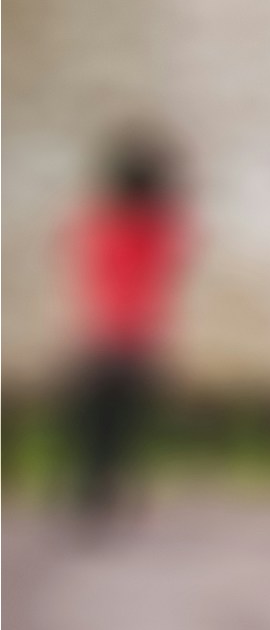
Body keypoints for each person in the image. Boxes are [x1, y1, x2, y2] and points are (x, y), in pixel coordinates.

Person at [61, 133, 187, 527]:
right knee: (124, 424)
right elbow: (172, 265)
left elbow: (80, 265)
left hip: (97, 338)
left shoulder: (97, 221)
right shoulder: (158, 229)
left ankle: (92, 492)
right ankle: (110, 489)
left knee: (95, 425)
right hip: (136, 342)